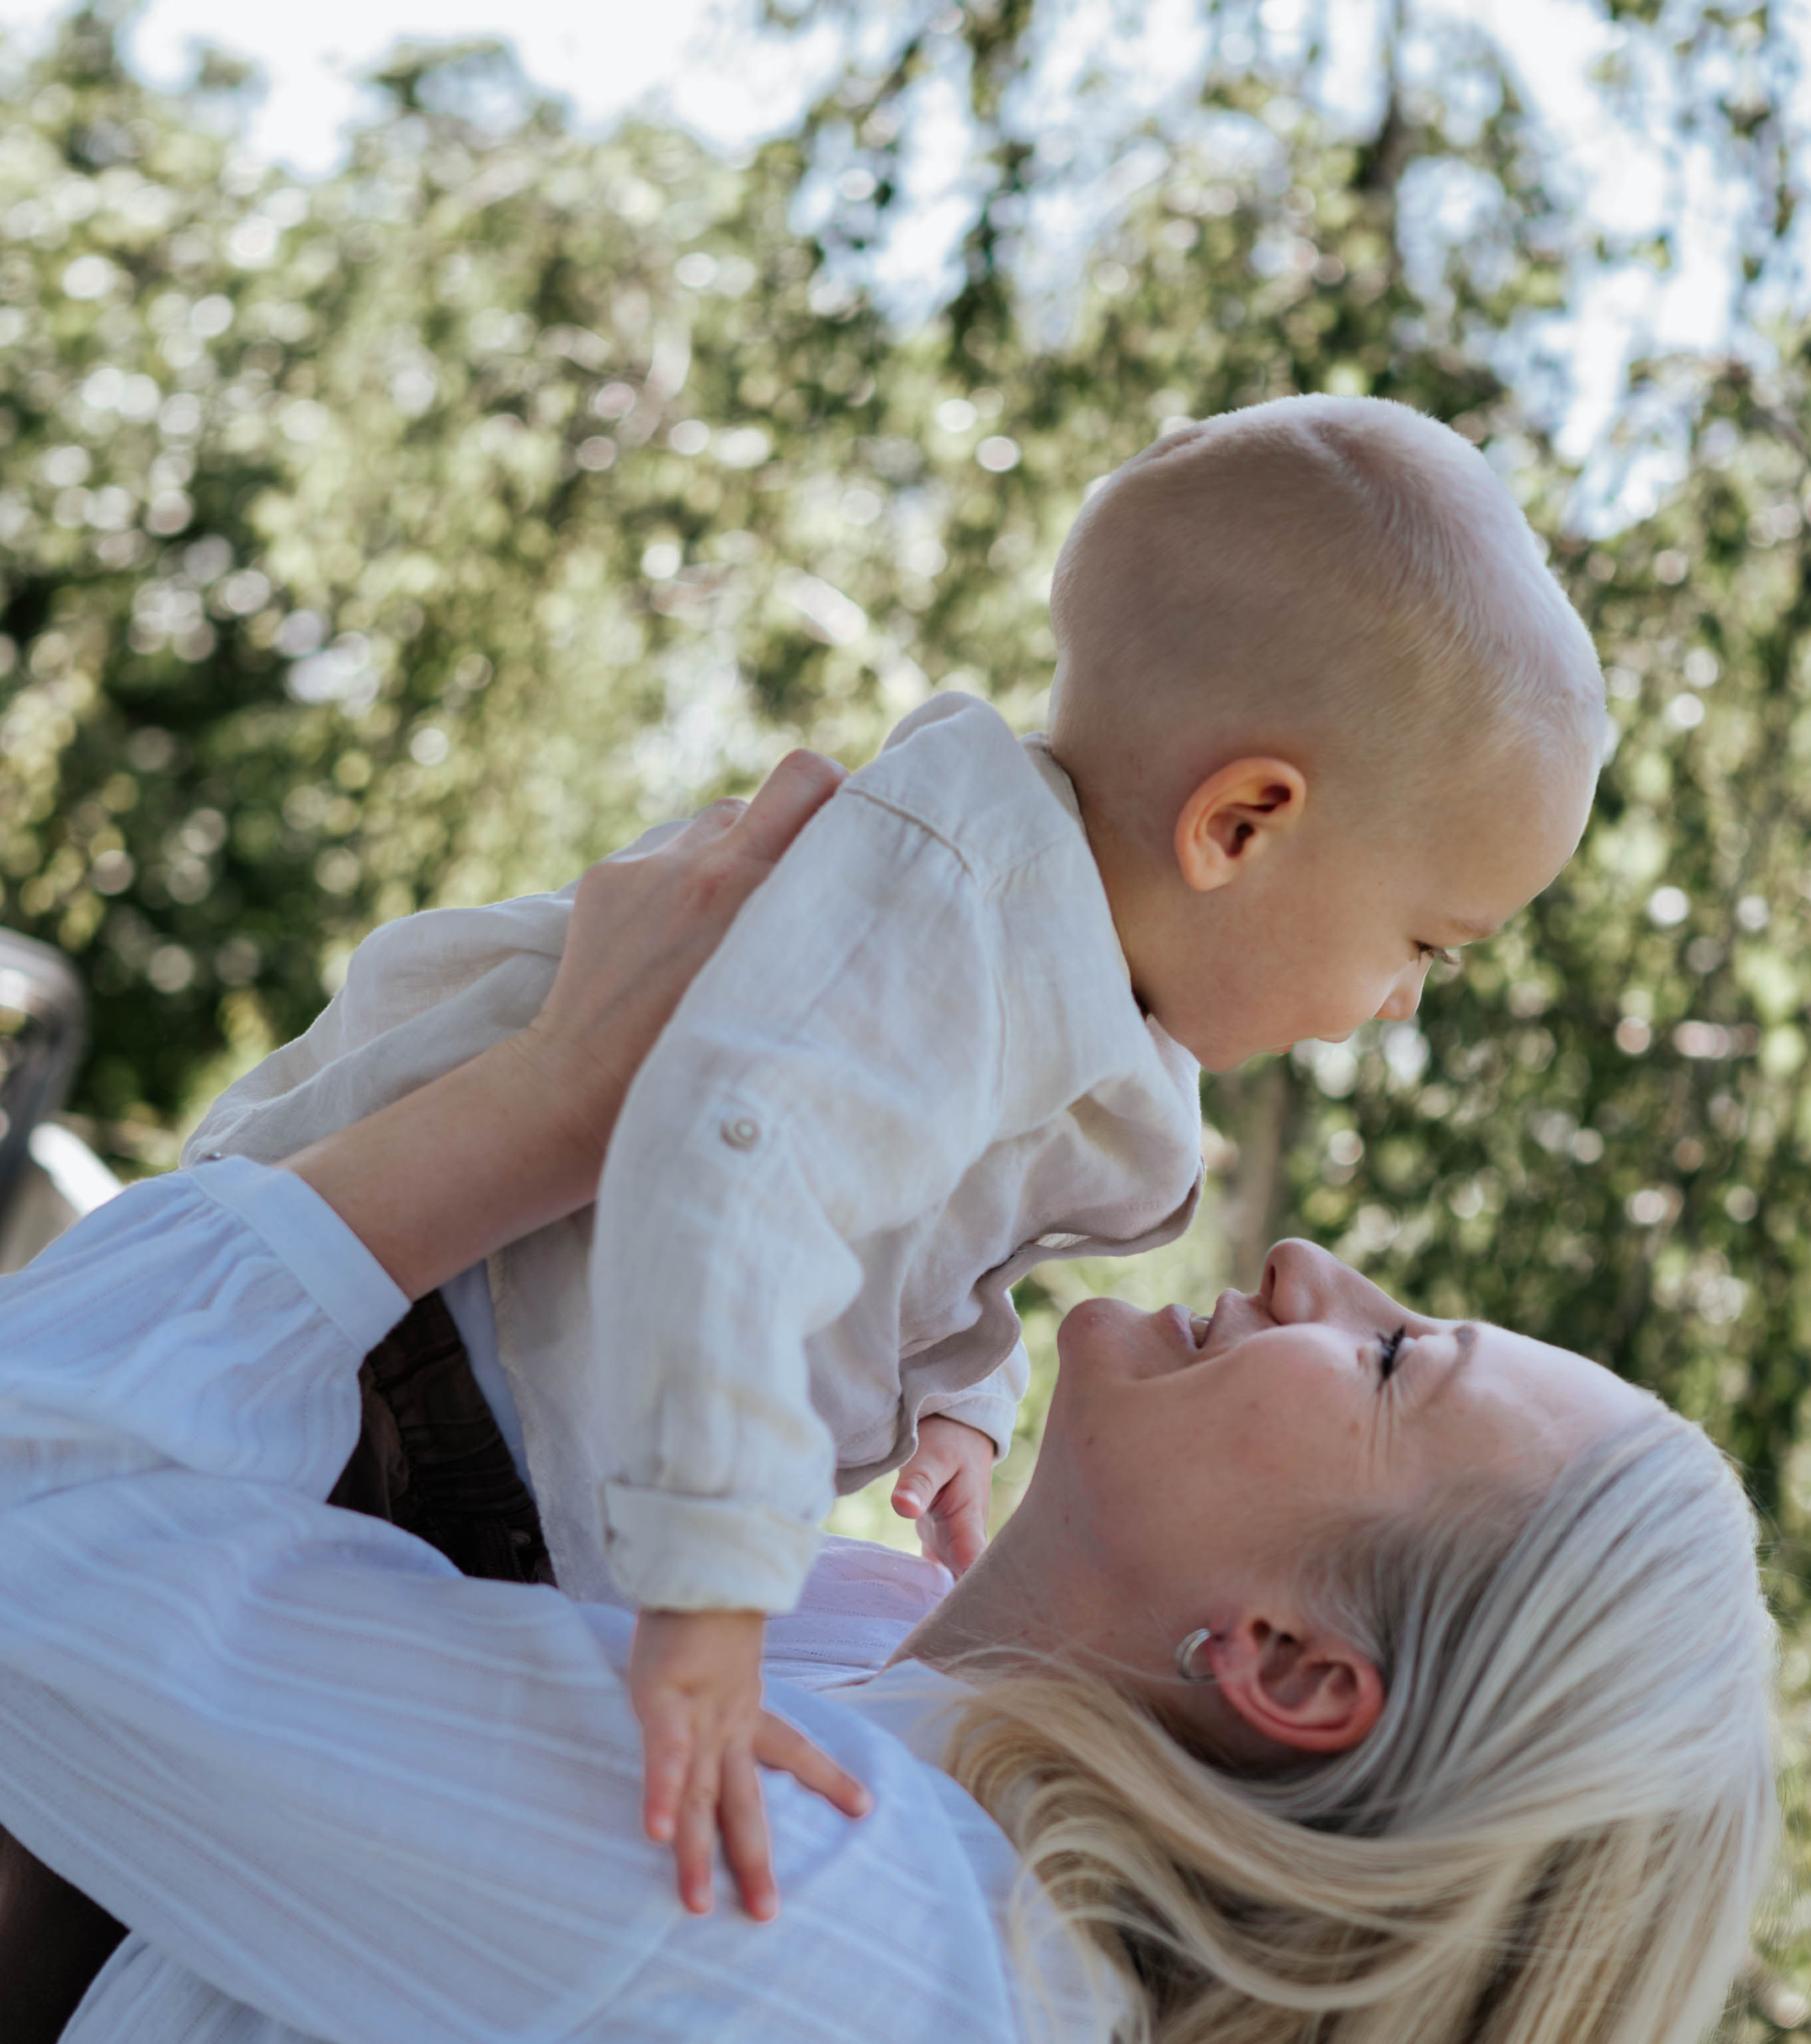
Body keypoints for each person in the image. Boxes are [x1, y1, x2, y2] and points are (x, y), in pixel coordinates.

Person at [0, 787, 1776, 2044]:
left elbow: (33, 1526)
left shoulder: (803, 1896)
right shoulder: (897, 1731)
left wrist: (556, 1096)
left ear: (1287, 1666)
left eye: (1386, 1362)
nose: (1311, 1273)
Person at [185, 395, 1607, 1911]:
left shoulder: (1078, 977)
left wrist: (956, 1395)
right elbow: (742, 1169)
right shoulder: (953, 906)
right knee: (124, 1781)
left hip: (489, 1406)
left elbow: (924, 1206)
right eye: (1420, 946)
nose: (1393, 1001)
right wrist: (715, 1586)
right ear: (1241, 826)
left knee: (193, 1828)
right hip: (422, 1359)